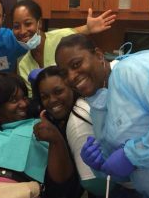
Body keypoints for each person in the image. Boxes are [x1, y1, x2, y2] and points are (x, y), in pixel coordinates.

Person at [55, 33, 149, 198]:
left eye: (76, 64)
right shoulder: (98, 103)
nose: (71, 76)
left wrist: (132, 154)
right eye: (63, 73)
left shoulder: (136, 70)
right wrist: (100, 165)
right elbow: (126, 171)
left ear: (98, 55)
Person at [11, 0, 116, 96]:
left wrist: (88, 28)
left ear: (40, 23)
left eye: (28, 24)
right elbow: (33, 97)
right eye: (16, 26)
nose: (22, 31)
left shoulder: (61, 37)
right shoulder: (23, 65)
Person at [31, 66, 108, 198]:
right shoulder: (50, 120)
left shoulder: (82, 116)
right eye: (45, 96)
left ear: (72, 88)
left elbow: (66, 183)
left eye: (58, 91)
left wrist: (56, 139)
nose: (52, 100)